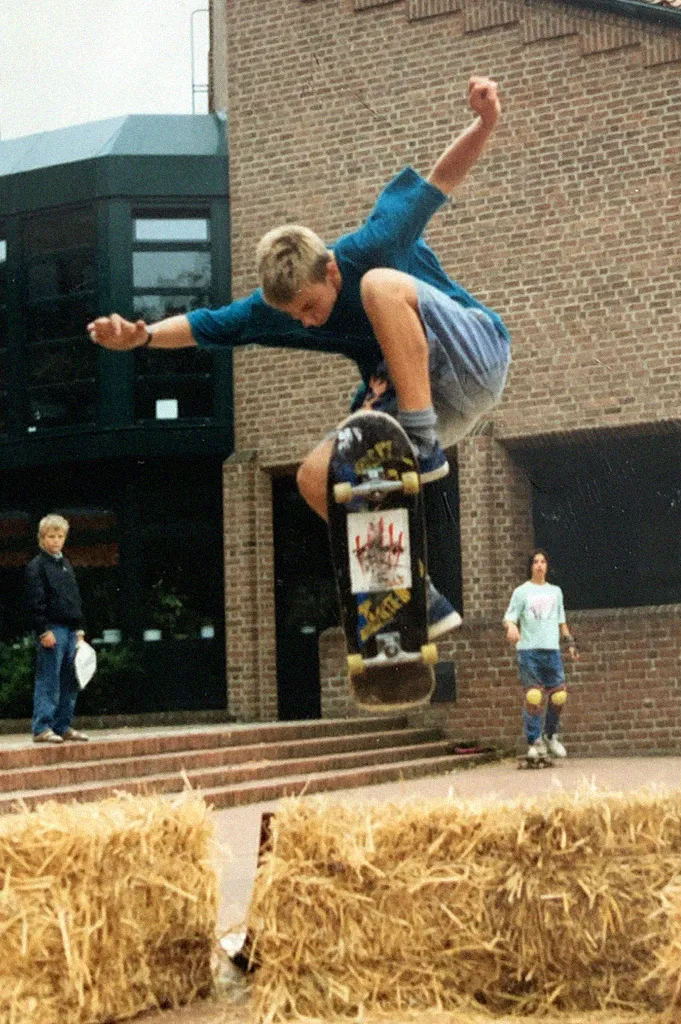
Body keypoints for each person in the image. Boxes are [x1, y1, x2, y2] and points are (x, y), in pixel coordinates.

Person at [87, 75, 510, 640]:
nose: (307, 322)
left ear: (330, 269)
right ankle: (408, 589)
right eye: (295, 316)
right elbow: (208, 324)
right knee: (317, 476)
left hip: (475, 355)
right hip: (426, 395)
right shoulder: (282, 309)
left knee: (381, 287)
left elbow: (441, 179)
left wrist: (485, 122)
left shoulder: (371, 246)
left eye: (310, 306)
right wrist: (141, 337)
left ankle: (422, 439)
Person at [503, 549, 578, 763]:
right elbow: (509, 617)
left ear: (547, 566)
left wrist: (570, 643)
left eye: (543, 561)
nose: (539, 565)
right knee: (534, 696)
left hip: (551, 649)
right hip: (529, 650)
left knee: (559, 696)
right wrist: (511, 627)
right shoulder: (522, 592)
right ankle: (534, 740)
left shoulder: (555, 592)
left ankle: (550, 734)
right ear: (530, 566)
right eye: (535, 562)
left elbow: (561, 621)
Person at [25, 514, 89, 743]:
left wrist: (79, 628)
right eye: (51, 536)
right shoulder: (37, 566)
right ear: (42, 538)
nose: (56, 541)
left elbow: (75, 597)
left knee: (71, 680)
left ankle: (62, 725)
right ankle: (42, 727)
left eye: (60, 536)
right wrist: (43, 630)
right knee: (49, 680)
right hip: (52, 629)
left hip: (71, 630)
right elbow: (35, 602)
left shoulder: (66, 564)